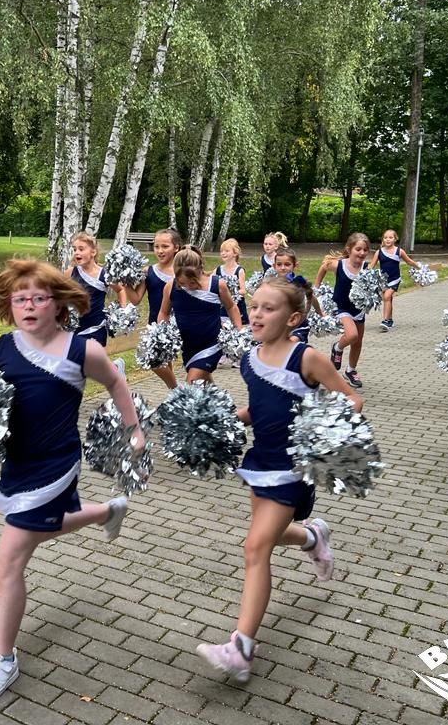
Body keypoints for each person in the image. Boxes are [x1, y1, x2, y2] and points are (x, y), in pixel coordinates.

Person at [0, 259, 146, 705]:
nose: (28, 306)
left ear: (58, 304)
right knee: (39, 529)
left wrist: (134, 429)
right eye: (20, 298)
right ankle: (106, 511)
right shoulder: (1, 348)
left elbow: (116, 383)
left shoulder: (82, 351)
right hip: (16, 464)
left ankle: (1, 659)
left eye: (39, 298)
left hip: (55, 464)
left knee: (9, 559)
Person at [195, 275, 362, 682]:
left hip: (293, 468)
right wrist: (223, 421)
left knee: (255, 547)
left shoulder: (307, 358)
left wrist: (324, 432)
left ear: (293, 319)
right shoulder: (250, 359)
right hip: (261, 461)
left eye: (268, 309)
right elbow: (259, 409)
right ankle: (313, 537)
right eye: (254, 306)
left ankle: (241, 648)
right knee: (269, 535)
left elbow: (351, 398)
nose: (256, 314)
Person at [158, 245, 243, 384]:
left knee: (192, 383)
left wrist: (238, 330)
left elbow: (231, 307)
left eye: (192, 282)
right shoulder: (170, 287)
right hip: (187, 346)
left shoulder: (217, 284)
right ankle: (218, 398)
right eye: (182, 283)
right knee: (203, 384)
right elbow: (164, 312)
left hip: (212, 344)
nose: (188, 286)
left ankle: (182, 396)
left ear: (200, 271)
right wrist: (162, 333)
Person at [122, 228, 181, 390]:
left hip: (177, 325)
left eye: (165, 246)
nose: (160, 251)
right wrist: (125, 282)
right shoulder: (148, 271)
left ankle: (176, 391)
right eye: (156, 246)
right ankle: (176, 392)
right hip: (155, 324)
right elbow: (135, 299)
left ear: (176, 247)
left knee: (160, 361)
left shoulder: (182, 272)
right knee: (157, 361)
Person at [315, 233, 371, 389]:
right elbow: (324, 266)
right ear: (349, 249)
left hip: (358, 309)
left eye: (365, 250)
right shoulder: (339, 265)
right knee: (352, 335)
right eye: (358, 249)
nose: (362, 253)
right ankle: (337, 348)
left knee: (357, 343)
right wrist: (316, 286)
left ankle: (350, 370)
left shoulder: (367, 268)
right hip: (340, 307)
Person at [66, 232, 126, 376]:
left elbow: (121, 289)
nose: (77, 252)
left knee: (89, 362)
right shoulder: (70, 273)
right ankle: (115, 367)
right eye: (74, 249)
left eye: (81, 249)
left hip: (96, 325)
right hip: (76, 326)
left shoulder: (104, 274)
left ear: (93, 252)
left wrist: (122, 310)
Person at [368, 229, 420, 331]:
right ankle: (390, 320)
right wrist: (363, 273)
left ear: (395, 239)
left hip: (395, 279)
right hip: (383, 280)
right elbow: (371, 265)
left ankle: (385, 321)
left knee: (387, 297)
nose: (388, 239)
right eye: (385, 237)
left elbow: (409, 261)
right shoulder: (379, 252)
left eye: (390, 237)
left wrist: (419, 267)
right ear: (383, 239)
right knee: (388, 299)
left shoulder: (399, 251)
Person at [274, 248, 321, 343]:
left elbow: (311, 296)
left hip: (299, 324)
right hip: (279, 324)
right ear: (274, 266)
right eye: (279, 264)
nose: (283, 268)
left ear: (295, 266)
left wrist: (320, 312)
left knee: (292, 343)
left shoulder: (298, 282)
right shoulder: (271, 284)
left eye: (287, 264)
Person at [215, 238, 249, 325]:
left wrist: (232, 293)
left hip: (237, 306)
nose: (223, 253)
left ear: (235, 253)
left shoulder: (239, 270)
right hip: (223, 307)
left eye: (227, 251)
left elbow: (243, 290)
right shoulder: (218, 270)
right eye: (221, 251)